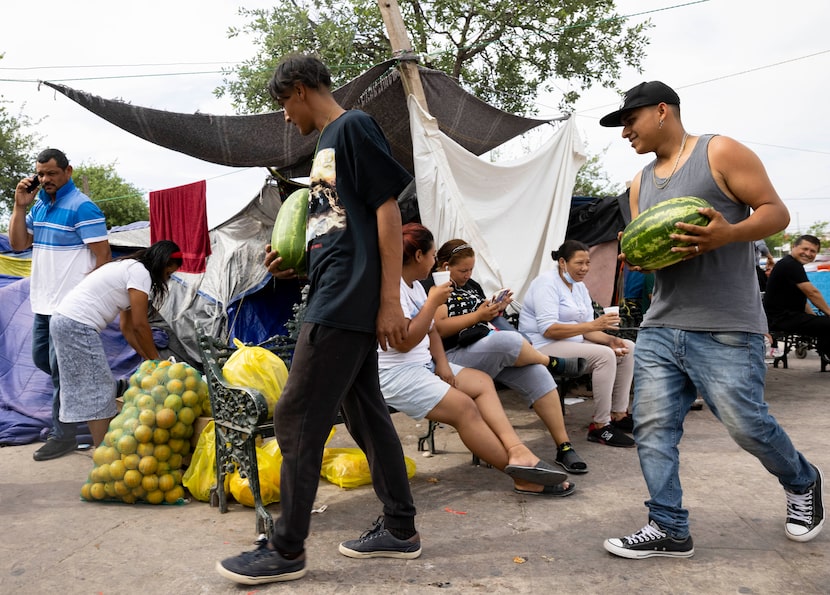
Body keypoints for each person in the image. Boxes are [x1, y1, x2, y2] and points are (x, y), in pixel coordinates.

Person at [217, 54, 420, 586]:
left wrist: (390, 300)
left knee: (295, 414)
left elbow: (387, 211)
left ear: (301, 89)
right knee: (366, 413)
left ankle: (287, 549)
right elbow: (341, 229)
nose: (284, 116)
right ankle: (399, 528)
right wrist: (297, 261)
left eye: (283, 102)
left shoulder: (351, 127)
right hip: (333, 287)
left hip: (346, 298)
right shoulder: (325, 149)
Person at [598, 80, 824, 558]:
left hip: (726, 323)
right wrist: (641, 258)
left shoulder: (720, 152)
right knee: (654, 428)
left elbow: (776, 212)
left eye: (629, 121)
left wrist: (730, 234)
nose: (624, 133)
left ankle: (802, 479)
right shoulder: (640, 182)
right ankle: (668, 527)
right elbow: (659, 253)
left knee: (746, 425)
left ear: (662, 111)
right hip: (662, 324)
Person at [380, 223, 575, 495]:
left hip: (425, 363)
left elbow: (431, 331)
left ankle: (518, 451)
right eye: (432, 255)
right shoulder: (392, 289)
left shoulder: (413, 286)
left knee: (482, 382)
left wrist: (444, 365)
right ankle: (521, 476)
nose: (435, 261)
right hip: (396, 373)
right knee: (464, 408)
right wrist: (432, 304)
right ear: (417, 256)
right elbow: (403, 344)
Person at [427, 239, 589, 473]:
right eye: (463, 270)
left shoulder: (471, 285)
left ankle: (564, 447)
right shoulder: (437, 286)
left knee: (536, 372)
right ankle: (553, 361)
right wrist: (477, 317)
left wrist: (495, 309)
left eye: (471, 269)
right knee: (511, 340)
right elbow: (439, 328)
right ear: (444, 266)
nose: (468, 274)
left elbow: (484, 317)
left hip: (484, 347)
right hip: (451, 355)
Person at [9, 148, 111, 461]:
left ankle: (62, 435)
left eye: (52, 173)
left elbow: (103, 256)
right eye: (41, 174)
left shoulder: (83, 206)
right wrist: (18, 207)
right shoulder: (39, 207)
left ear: (68, 171)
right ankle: (104, 389)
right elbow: (17, 244)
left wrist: (86, 300)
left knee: (60, 372)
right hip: (42, 302)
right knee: (45, 361)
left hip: (69, 308)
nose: (45, 179)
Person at [50, 241, 182, 446]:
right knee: (100, 390)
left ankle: (101, 448)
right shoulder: (140, 273)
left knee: (93, 388)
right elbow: (140, 325)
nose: (167, 279)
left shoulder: (128, 268)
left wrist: (149, 361)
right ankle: (104, 452)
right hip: (77, 324)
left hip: (64, 321)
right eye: (168, 273)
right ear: (162, 263)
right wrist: (158, 363)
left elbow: (127, 328)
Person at [519, 240, 636, 448]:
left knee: (626, 348)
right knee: (605, 356)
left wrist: (610, 339)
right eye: (579, 263)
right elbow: (549, 329)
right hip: (543, 345)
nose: (585, 268)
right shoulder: (546, 284)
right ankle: (600, 426)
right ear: (563, 262)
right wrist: (593, 326)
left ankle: (619, 414)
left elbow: (587, 328)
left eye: (588, 263)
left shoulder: (579, 286)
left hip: (574, 342)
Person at [763, 234, 830, 362]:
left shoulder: (792, 264)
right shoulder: (791, 265)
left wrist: (813, 317)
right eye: (804, 249)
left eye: (812, 251)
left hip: (787, 316)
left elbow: (802, 298)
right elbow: (812, 292)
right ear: (794, 247)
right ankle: (826, 353)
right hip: (781, 318)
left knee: (823, 322)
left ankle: (825, 351)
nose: (808, 253)